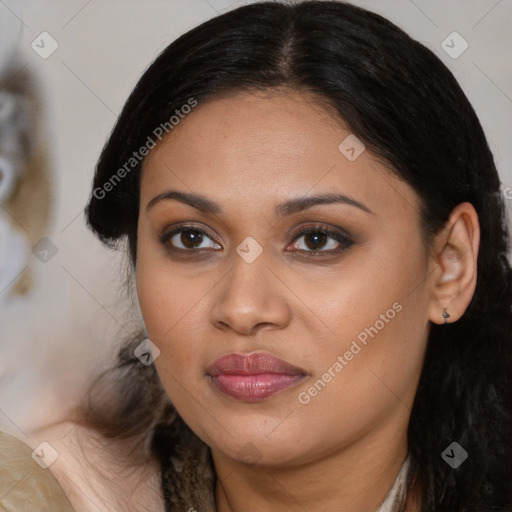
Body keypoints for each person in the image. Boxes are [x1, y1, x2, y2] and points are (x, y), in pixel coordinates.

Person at [2, 1, 511, 511]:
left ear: (449, 264)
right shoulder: (42, 496)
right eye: (191, 238)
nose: (243, 308)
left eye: (317, 240)